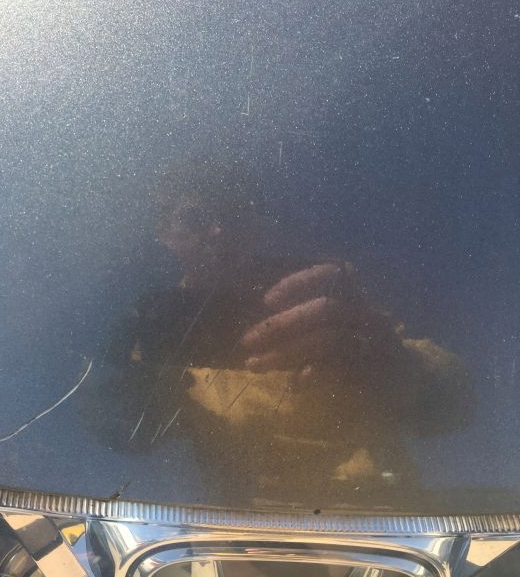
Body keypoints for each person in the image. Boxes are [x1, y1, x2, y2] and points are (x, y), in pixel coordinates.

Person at [97, 159, 473, 509]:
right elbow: (122, 432)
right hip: (239, 537)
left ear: (255, 224)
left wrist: (397, 364)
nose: (218, 230)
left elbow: (455, 403)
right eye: (196, 217)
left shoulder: (316, 293)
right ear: (166, 233)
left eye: (233, 213)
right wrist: (130, 384)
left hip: (383, 517)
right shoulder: (158, 330)